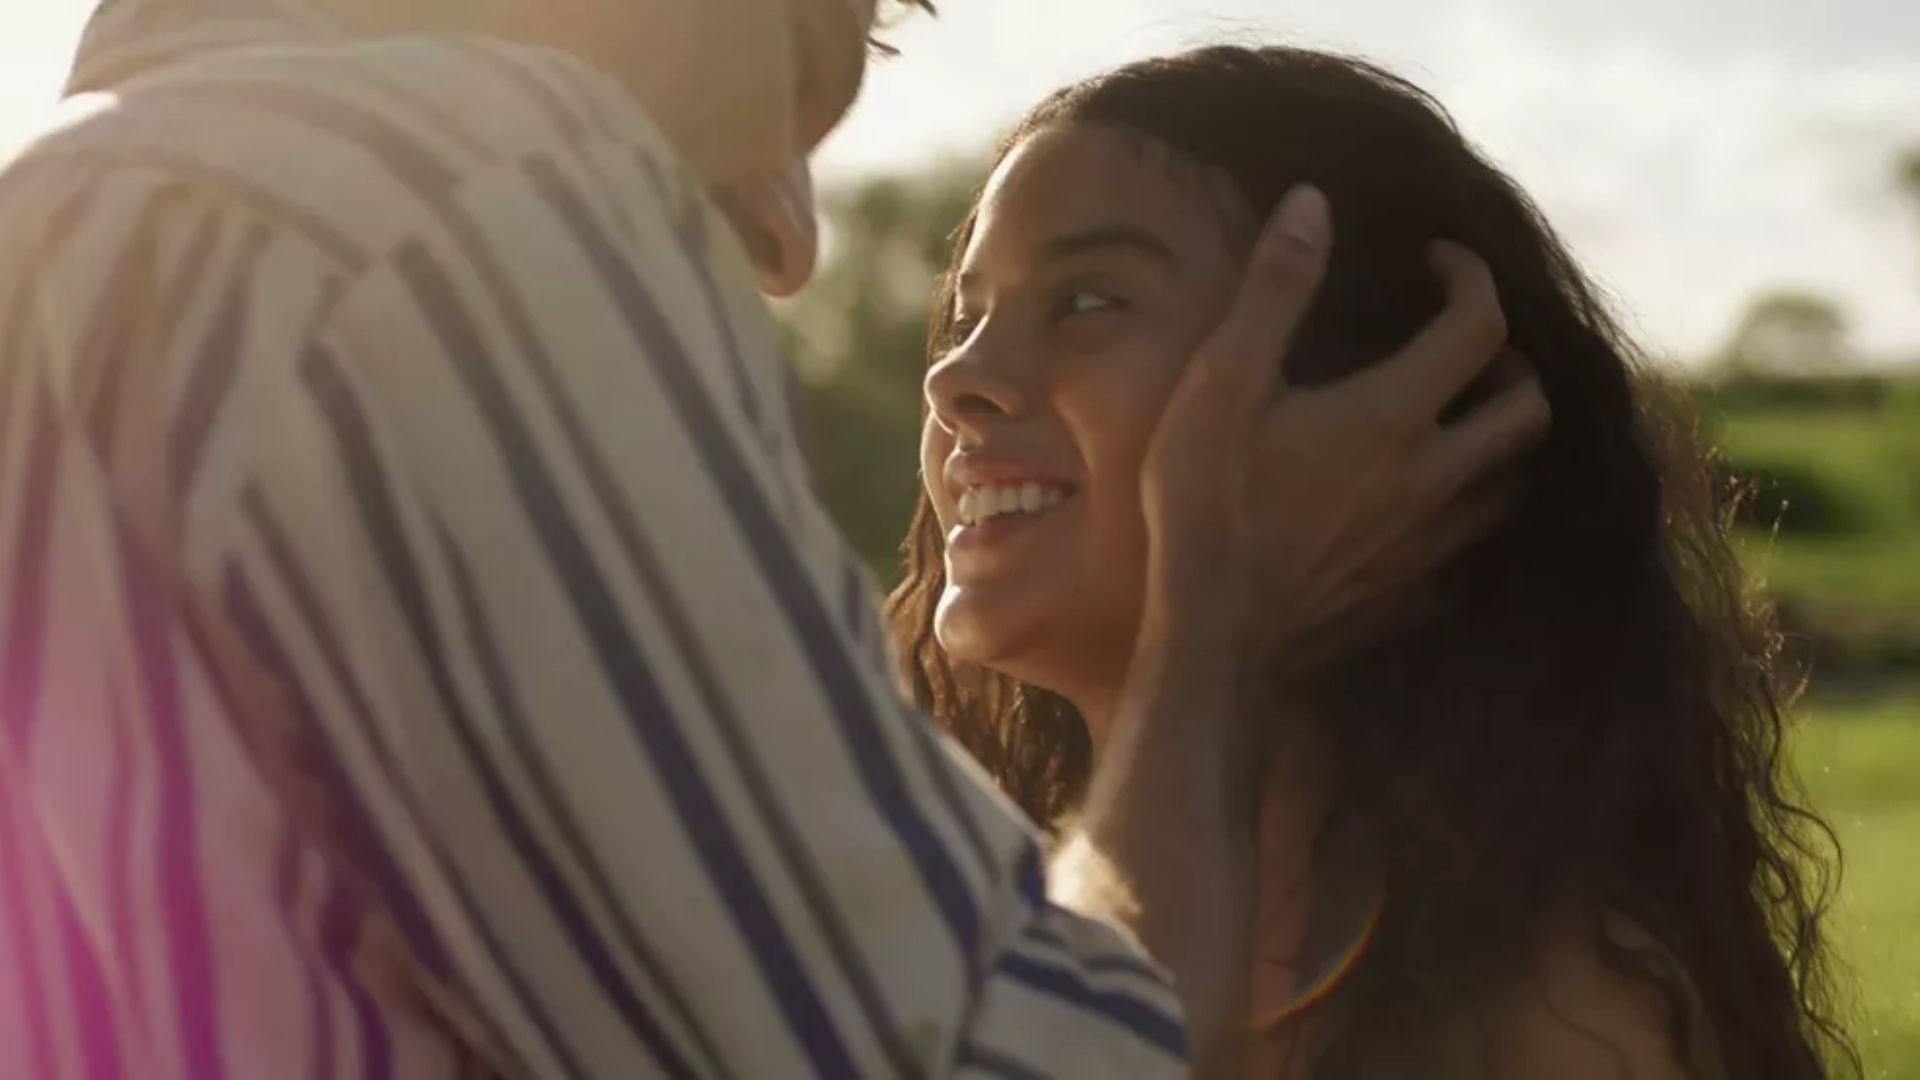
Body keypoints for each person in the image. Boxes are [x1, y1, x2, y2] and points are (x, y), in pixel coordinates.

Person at [0, 2, 1539, 1076]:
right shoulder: (458, 209)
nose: (793, 244)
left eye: (1084, 301)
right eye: (808, 43)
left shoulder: (71, 218)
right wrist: (1224, 626)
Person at [891, 45, 1856, 1079]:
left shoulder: (1552, 1031)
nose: (957, 376)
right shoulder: (938, 934)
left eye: (1087, 302)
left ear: (1370, 411)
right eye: (964, 313)